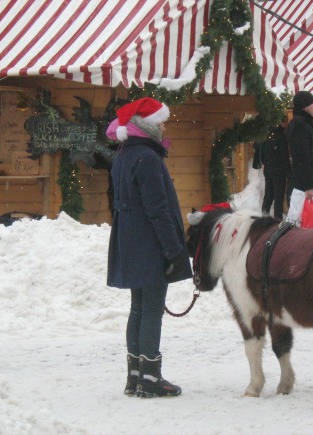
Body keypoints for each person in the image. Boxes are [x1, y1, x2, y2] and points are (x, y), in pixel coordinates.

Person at [106, 97, 192, 398]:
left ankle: (135, 377)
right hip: (150, 242)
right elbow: (158, 210)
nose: (164, 126)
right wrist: (173, 249)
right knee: (152, 309)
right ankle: (150, 378)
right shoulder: (148, 158)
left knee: (139, 309)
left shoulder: (123, 155)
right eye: (161, 121)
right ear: (149, 124)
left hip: (129, 240)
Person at [253, 123, 290, 219]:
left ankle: (263, 218)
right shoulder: (280, 137)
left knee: (268, 196)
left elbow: (262, 155)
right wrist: (289, 173)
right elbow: (284, 157)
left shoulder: (266, 135)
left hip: (268, 170)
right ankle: (278, 220)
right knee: (278, 198)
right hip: (279, 171)